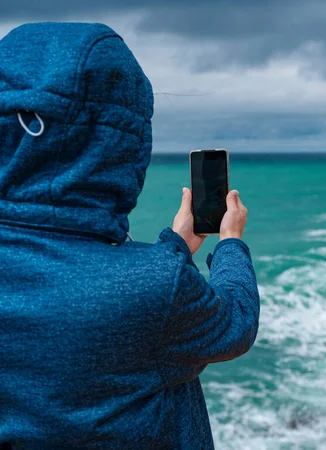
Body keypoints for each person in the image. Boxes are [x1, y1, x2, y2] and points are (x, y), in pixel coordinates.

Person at [0, 22, 260, 450]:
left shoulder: (157, 279)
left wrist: (174, 250)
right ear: (124, 145)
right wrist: (230, 243)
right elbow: (234, 325)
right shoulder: (158, 284)